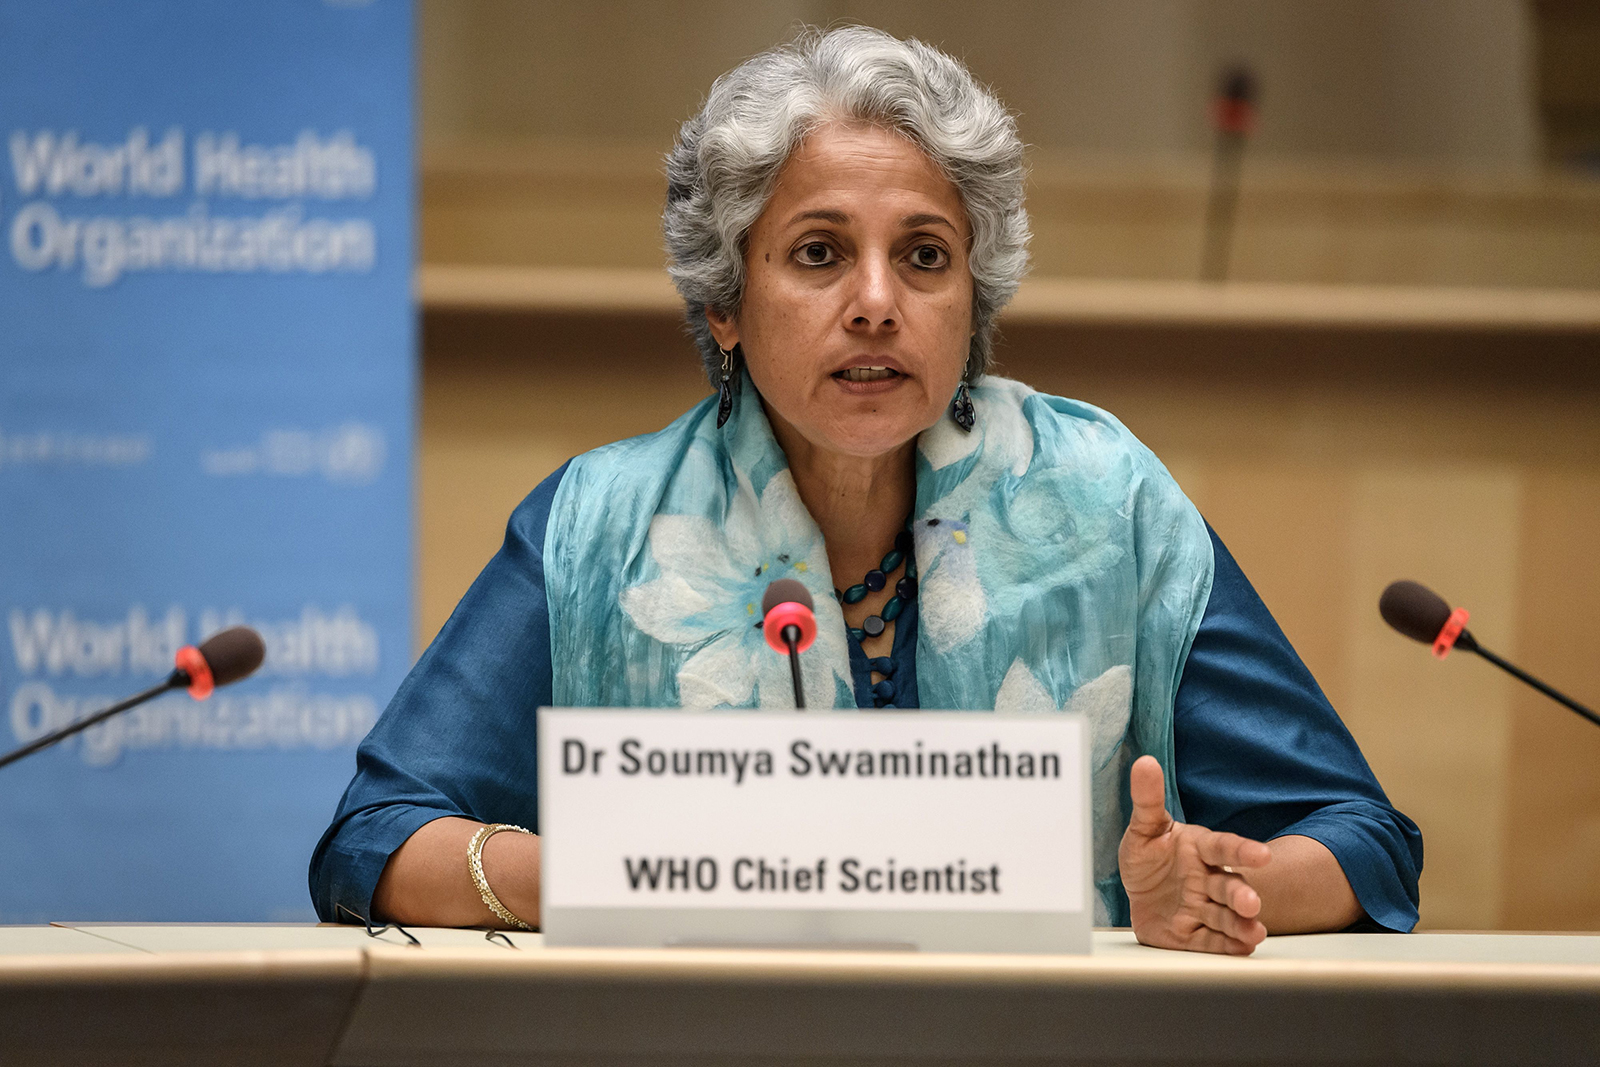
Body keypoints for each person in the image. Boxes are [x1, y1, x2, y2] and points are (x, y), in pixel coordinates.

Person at [310, 26, 1420, 955]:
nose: (878, 302)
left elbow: (1363, 841)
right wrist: (630, 871)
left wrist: (1214, 888)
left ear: (971, 304)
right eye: (819, 252)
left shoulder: (1104, 502)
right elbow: (373, 841)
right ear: (725, 304)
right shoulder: (606, 523)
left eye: (926, 257)